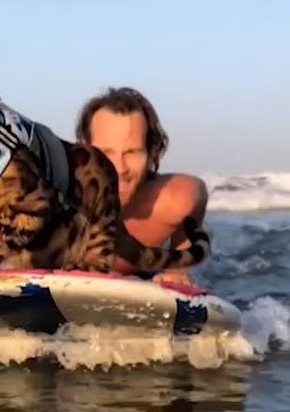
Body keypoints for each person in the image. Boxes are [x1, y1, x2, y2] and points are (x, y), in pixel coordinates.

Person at [75, 87, 209, 286]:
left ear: (150, 154)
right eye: (106, 152)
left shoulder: (171, 202)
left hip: (142, 278)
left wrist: (179, 265)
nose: (119, 168)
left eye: (132, 152)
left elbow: (198, 194)